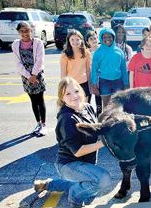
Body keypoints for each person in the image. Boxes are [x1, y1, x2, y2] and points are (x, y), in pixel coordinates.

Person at [33, 77, 110, 208]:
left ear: (81, 91)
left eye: (76, 91)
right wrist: (104, 142)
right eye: (68, 93)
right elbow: (78, 151)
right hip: (69, 165)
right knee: (103, 180)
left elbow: (97, 129)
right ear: (62, 98)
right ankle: (74, 198)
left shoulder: (87, 107)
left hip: (86, 163)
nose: (74, 96)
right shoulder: (66, 118)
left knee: (88, 187)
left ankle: (47, 184)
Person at [12, 21, 47, 136]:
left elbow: (40, 60)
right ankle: (38, 123)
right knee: (33, 100)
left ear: (31, 31)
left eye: (27, 30)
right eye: (21, 31)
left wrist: (34, 75)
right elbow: (18, 63)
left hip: (37, 75)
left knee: (40, 100)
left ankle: (44, 125)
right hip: (26, 77)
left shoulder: (38, 42)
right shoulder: (15, 44)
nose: (25, 33)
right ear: (18, 32)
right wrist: (28, 76)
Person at [90, 28, 129, 109]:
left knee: (118, 105)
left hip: (118, 81)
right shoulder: (98, 52)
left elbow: (123, 69)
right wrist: (94, 85)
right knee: (106, 106)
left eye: (109, 37)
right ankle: (106, 120)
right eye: (104, 37)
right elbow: (94, 69)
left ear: (113, 37)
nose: (107, 39)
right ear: (101, 38)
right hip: (104, 82)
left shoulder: (119, 52)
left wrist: (126, 83)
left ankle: (117, 120)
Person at [61, 30, 91, 101]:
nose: (75, 42)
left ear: (81, 40)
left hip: (84, 83)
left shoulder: (86, 53)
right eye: (72, 40)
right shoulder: (65, 55)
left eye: (77, 39)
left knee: (85, 105)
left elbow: (88, 70)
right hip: (71, 84)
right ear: (69, 41)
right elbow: (63, 72)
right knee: (74, 105)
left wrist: (90, 84)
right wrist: (63, 87)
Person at [85, 30, 103, 116]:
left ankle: (99, 114)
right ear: (87, 42)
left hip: (99, 78)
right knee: (87, 98)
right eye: (91, 39)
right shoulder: (86, 52)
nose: (94, 40)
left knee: (98, 97)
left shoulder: (102, 50)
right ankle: (87, 115)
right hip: (89, 78)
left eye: (95, 38)